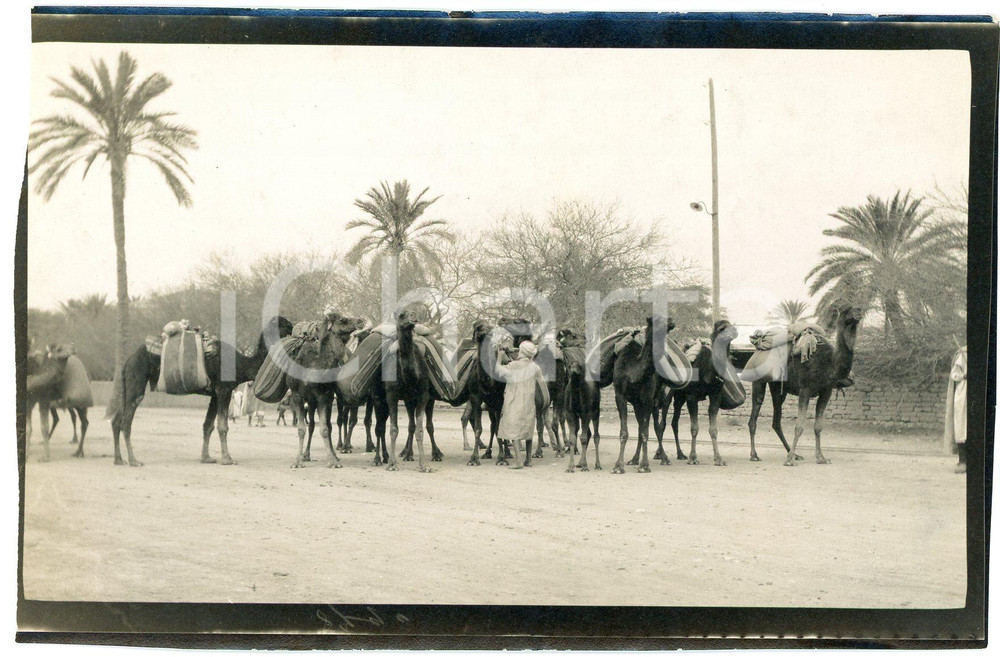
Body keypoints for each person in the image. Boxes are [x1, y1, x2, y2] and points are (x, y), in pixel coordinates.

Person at [495, 340, 545, 469]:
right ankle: (528, 459)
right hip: (529, 401)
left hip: (514, 399)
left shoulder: (514, 365)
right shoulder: (535, 367)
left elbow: (498, 372)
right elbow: (541, 383)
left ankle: (518, 461)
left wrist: (500, 357)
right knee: (528, 429)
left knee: (514, 430)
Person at [945, 345, 967, 474]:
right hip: (964, 393)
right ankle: (963, 461)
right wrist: (964, 375)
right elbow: (954, 374)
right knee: (962, 426)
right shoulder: (964, 354)